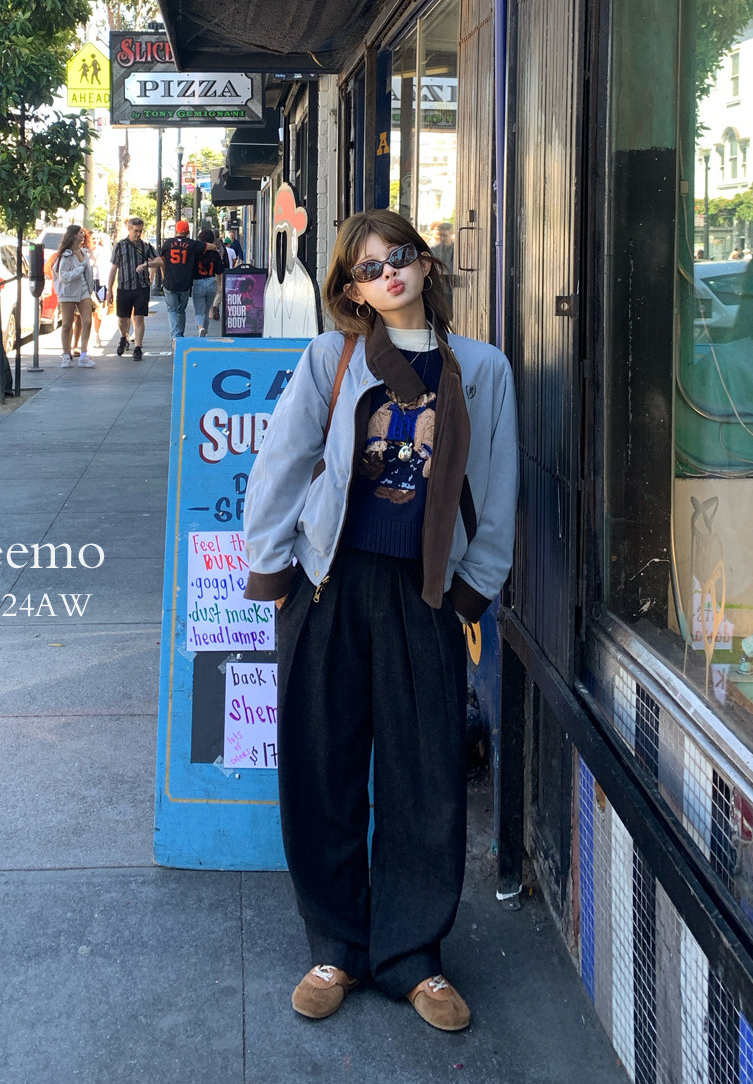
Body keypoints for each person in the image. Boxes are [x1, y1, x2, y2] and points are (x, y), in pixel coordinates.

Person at [241, 208, 518, 1034]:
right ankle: (336, 944)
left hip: (423, 593)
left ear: (426, 262)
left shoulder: (482, 369)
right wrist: (277, 574)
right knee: (320, 766)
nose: (387, 272)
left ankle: (412, 955)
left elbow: (496, 488)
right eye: (368, 267)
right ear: (351, 288)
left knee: (424, 773)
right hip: (328, 585)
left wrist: (470, 596)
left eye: (399, 255)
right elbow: (281, 464)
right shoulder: (332, 358)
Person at [108, 216, 157, 361]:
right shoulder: (120, 246)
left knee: (139, 317)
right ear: (129, 229)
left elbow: (159, 261)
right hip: (124, 286)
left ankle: (138, 347)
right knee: (123, 318)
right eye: (135, 231)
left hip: (141, 287)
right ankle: (124, 337)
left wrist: (146, 265)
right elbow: (113, 268)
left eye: (140, 231)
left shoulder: (146, 246)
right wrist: (109, 290)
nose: (138, 234)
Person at [51, 224, 98, 368]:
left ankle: (83, 355)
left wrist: (90, 288)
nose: (83, 235)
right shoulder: (65, 255)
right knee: (67, 324)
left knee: (87, 321)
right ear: (73, 235)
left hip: (83, 289)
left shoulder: (83, 252)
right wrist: (79, 270)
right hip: (68, 291)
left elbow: (87, 271)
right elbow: (63, 276)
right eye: (80, 233)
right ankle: (66, 354)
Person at [147, 218, 203, 339]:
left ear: (176, 231)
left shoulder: (168, 243)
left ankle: (175, 335)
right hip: (185, 282)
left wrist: (163, 276)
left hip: (170, 281)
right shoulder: (192, 244)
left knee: (171, 310)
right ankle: (180, 333)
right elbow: (211, 246)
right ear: (188, 232)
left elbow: (162, 261)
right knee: (181, 310)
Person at [191, 228, 225, 336]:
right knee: (206, 311)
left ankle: (200, 327)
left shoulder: (195, 253)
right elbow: (220, 271)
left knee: (198, 311)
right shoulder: (215, 253)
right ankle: (204, 332)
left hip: (198, 282)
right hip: (211, 282)